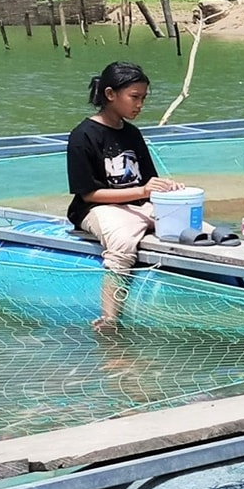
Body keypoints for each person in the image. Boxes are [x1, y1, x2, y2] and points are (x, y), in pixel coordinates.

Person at [66, 62, 186, 330]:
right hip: (97, 208)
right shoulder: (82, 136)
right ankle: (109, 318)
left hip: (138, 205)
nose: (140, 105)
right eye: (134, 97)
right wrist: (142, 192)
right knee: (122, 243)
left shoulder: (132, 134)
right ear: (110, 94)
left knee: (192, 226)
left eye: (143, 98)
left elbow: (148, 182)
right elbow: (88, 194)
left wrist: (168, 192)